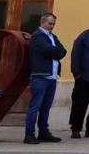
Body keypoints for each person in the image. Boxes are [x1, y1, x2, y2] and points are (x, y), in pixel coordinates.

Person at [25, 12, 67, 145]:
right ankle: (29, 134)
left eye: (53, 24)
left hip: (52, 76)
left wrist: (55, 51)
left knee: (46, 106)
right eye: (50, 23)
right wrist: (55, 51)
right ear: (42, 22)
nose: (52, 26)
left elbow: (63, 51)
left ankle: (43, 132)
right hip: (40, 75)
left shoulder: (52, 36)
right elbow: (48, 50)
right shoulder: (38, 36)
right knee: (35, 106)